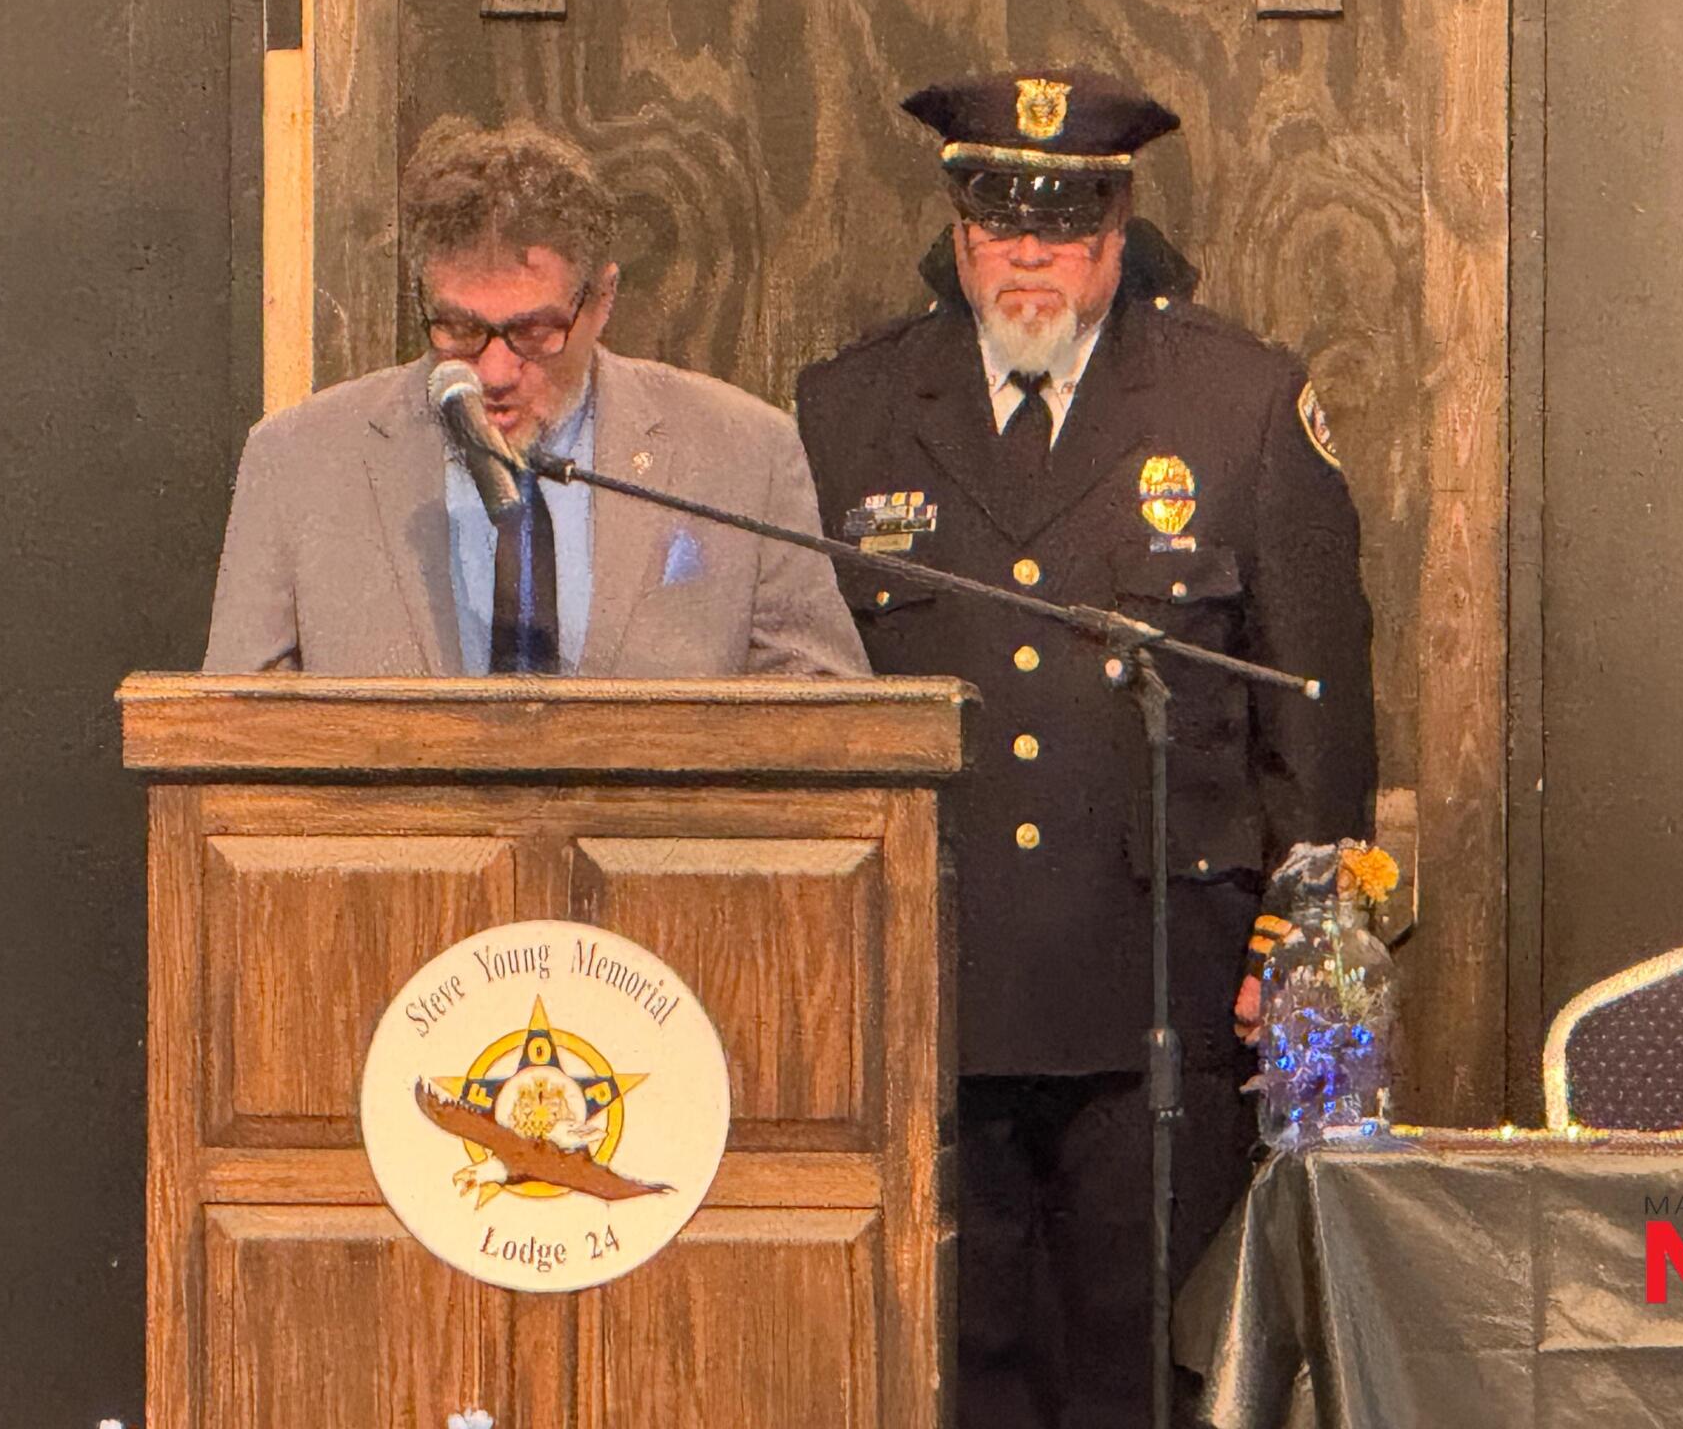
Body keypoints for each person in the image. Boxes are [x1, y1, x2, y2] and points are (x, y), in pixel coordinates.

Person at [794, 72, 1377, 1427]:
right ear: (958, 231)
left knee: (1146, 1370)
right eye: (1002, 222)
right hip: (928, 989)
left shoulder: (1239, 403)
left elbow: (1318, 710)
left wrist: (1298, 953)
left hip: (1163, 991)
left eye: (1065, 225)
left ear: (1117, 231)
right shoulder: (849, 409)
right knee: (952, 1369)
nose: (1032, 254)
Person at [207, 120, 867, 679]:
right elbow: (232, 738)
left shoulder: (743, 453)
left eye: (534, 332)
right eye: (459, 329)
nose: (494, 372)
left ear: (601, 299)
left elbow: (826, 719)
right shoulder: (298, 462)